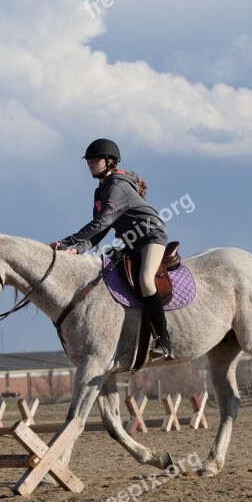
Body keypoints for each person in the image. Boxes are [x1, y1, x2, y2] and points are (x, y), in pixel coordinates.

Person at [49, 139, 173, 359]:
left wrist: (67, 241)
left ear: (110, 161)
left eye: (95, 159)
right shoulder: (100, 193)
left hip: (151, 235)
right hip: (132, 241)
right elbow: (98, 233)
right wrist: (75, 250)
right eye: (88, 160)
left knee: (145, 280)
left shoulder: (117, 185)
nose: (90, 163)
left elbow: (102, 223)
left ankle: (164, 341)